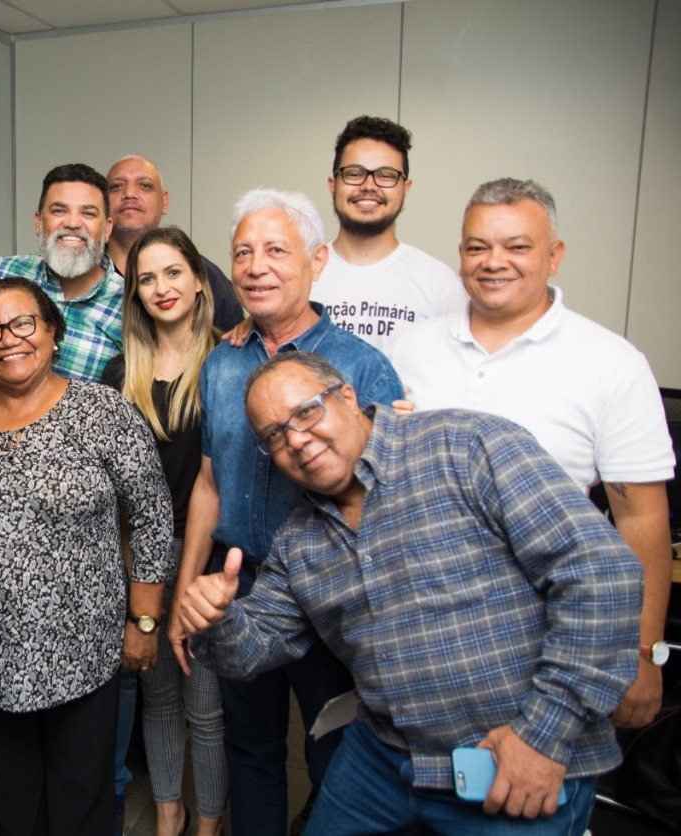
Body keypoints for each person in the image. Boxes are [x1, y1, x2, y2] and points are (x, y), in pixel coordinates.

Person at [178, 351, 645, 834]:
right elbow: (253, 649)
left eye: (306, 412)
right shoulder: (299, 539)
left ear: (348, 397)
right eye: (275, 435)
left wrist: (544, 734)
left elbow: (603, 575)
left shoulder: (466, 445)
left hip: (510, 750)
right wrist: (218, 619)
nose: (296, 439)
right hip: (385, 754)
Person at [391, 178, 675, 728]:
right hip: (416, 634)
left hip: (547, 642)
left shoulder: (612, 363)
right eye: (477, 247)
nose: (494, 261)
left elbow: (641, 517)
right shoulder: (410, 345)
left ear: (554, 256)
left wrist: (643, 651)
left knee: (533, 775)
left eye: (517, 246)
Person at [168, 188, 403, 836]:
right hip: (240, 587)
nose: (256, 267)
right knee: (251, 751)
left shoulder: (360, 366)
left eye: (276, 250)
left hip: (334, 590)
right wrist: (188, 590)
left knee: (340, 755)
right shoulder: (223, 362)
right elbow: (209, 483)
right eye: (243, 253)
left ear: (316, 260)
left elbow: (390, 493)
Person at [0, 277, 173, 835]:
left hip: (82, 649)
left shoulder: (102, 411)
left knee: (80, 797)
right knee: (11, 798)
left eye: (23, 323)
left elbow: (153, 516)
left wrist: (144, 620)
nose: (8, 339)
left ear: (53, 332)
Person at [100, 226, 228, 836]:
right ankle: (169, 813)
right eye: (146, 278)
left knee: (204, 703)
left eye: (173, 272)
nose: (161, 288)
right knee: (156, 695)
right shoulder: (119, 370)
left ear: (199, 280)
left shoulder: (228, 361)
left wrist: (191, 576)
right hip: (138, 555)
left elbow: (218, 479)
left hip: (206, 551)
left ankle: (209, 822)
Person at [312, 115, 463, 355]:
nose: (369, 186)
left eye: (386, 175)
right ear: (333, 185)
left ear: (405, 188)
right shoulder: (300, 276)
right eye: (354, 173)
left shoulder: (438, 282)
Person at [0, 162, 123, 382]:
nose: (73, 223)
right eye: (59, 211)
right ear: (38, 222)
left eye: (88, 213)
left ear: (107, 228)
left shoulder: (128, 305)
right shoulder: (1, 273)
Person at [106, 155, 243, 330]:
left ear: (164, 202)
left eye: (145, 185)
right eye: (116, 186)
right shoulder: (85, 272)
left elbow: (240, 337)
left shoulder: (204, 274)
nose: (129, 194)